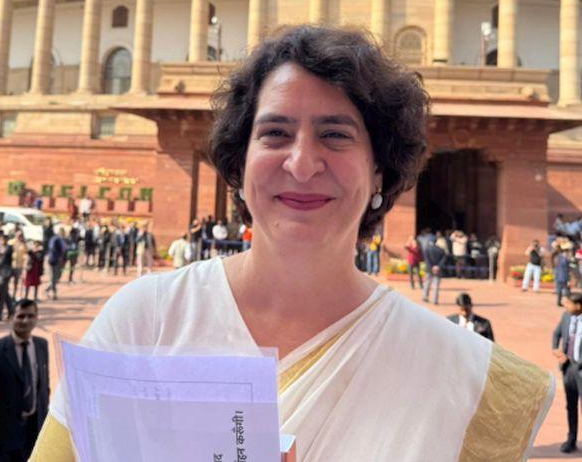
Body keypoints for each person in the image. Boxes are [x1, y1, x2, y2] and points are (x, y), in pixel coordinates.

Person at [32, 25, 553, 461]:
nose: (302, 163)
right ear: (238, 166)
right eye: (275, 134)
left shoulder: (464, 380)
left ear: (379, 171)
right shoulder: (146, 321)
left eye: (336, 134)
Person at [0, 299, 50, 461]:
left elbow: (43, 388)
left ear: (36, 318)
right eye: (20, 316)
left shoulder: (42, 346)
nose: (25, 320)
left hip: (33, 433)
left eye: (30, 316)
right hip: (2, 438)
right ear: (11, 317)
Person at [553, 293, 582, 453]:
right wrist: (556, 349)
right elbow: (556, 333)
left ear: (578, 305)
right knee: (571, 406)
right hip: (568, 369)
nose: (566, 306)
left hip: (581, 368)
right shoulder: (566, 316)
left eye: (569, 304)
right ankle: (571, 439)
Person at [422, 236, 447, 305]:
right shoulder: (441, 249)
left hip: (429, 269)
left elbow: (427, 260)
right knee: (436, 285)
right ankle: (435, 300)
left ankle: (425, 297)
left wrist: (432, 267)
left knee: (427, 283)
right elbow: (443, 259)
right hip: (438, 270)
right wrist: (438, 266)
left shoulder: (426, 249)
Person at [46, 227, 66, 300]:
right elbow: (52, 248)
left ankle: (47, 289)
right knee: (53, 278)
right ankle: (54, 293)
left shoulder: (62, 240)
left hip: (58, 261)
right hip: (53, 261)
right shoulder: (55, 239)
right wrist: (58, 255)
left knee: (56, 278)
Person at [10, 227, 28, 300]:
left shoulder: (23, 244)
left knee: (17, 281)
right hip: (12, 265)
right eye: (18, 235)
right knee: (10, 281)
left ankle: (15, 295)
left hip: (19, 265)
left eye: (21, 235)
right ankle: (10, 295)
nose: (19, 236)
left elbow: (25, 254)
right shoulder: (11, 242)